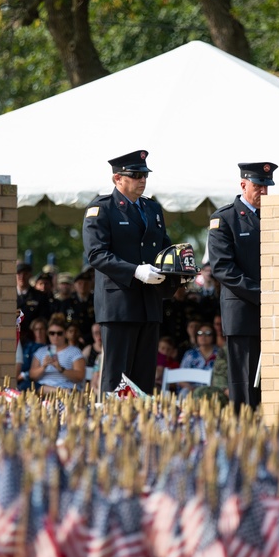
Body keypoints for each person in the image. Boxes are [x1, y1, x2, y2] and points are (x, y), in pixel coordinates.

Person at [83, 150, 172, 394]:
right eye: (135, 175)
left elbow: (164, 246)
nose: (142, 180)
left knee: (144, 378)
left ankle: (141, 426)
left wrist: (179, 266)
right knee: (117, 379)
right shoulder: (102, 209)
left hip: (149, 303)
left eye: (144, 174)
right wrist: (135, 271)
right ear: (117, 179)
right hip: (119, 304)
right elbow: (97, 254)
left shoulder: (152, 209)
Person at [207, 161, 277, 410]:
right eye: (258, 186)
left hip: (274, 313)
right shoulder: (225, 219)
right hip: (243, 311)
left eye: (267, 187)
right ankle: (244, 430)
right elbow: (223, 268)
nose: (264, 193)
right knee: (245, 381)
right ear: (243, 184)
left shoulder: (276, 215)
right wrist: (262, 295)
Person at [28, 319, 86, 393]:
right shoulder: (40, 351)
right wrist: (43, 367)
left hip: (66, 389)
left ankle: (59, 392)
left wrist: (60, 368)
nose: (55, 336)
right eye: (52, 333)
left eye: (59, 333)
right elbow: (32, 376)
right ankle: (58, 391)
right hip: (44, 390)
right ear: (48, 334)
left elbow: (79, 376)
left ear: (65, 334)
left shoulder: (74, 351)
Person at [17, 262, 50, 345]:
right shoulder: (7, 295)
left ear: (30, 275)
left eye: (25, 274)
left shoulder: (40, 296)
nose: (22, 277)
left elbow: (43, 319)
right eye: (19, 274)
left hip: (32, 339)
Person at [16, 317, 49, 390]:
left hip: (41, 379)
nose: (39, 332)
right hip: (23, 379)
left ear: (46, 331)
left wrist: (23, 375)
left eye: (41, 329)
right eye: (36, 329)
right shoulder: (27, 346)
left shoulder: (50, 348)